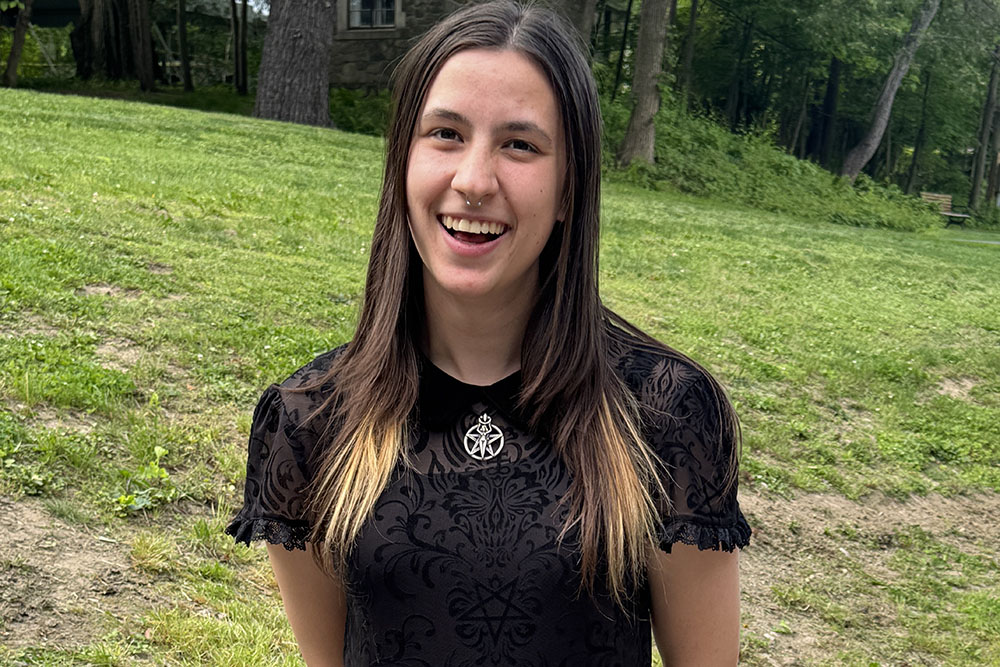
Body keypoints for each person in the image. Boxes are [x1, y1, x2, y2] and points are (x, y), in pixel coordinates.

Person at [226, 2, 751, 665]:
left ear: (569, 190)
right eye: (445, 133)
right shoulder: (309, 421)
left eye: (520, 144)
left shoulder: (666, 411)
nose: (473, 181)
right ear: (401, 164)